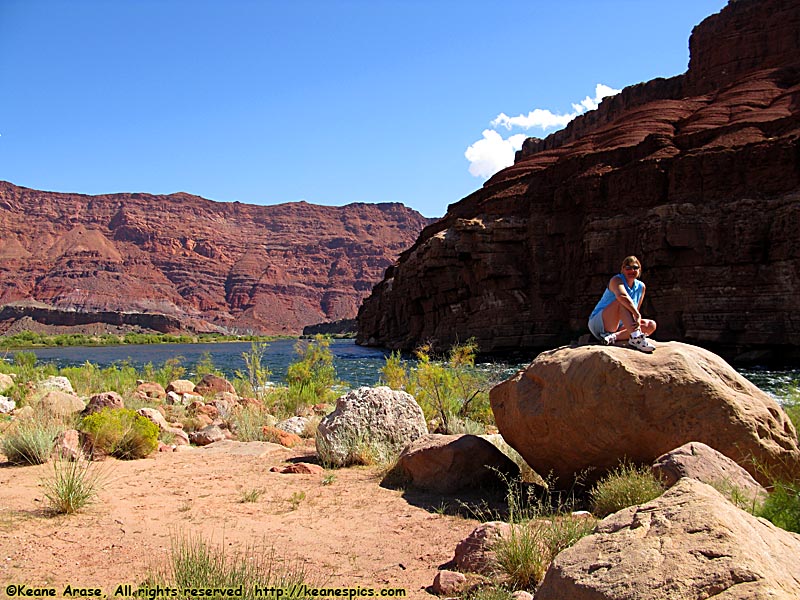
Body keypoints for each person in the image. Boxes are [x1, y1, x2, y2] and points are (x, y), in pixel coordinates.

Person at [588, 255, 657, 353]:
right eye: (628, 267)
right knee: (621, 302)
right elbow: (622, 296)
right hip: (600, 322)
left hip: (619, 326)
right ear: (622, 269)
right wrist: (637, 314)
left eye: (635, 268)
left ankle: (613, 337)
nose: (631, 271)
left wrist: (637, 318)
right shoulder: (616, 280)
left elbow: (635, 310)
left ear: (639, 270)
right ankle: (636, 338)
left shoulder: (641, 287)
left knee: (650, 325)